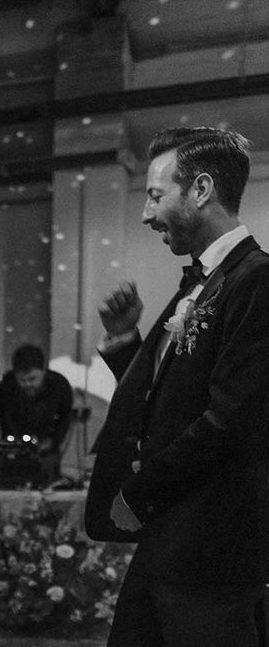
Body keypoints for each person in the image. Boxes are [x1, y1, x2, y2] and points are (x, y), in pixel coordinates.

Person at [85, 127, 269, 647]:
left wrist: (139, 494)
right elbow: (174, 402)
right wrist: (125, 343)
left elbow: (232, 421)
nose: (146, 214)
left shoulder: (256, 279)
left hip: (214, 553)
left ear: (202, 189)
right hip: (170, 541)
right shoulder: (206, 280)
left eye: (155, 195)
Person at [0, 344, 73, 482]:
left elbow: (65, 418)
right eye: (21, 380)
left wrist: (53, 440)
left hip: (45, 457)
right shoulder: (6, 385)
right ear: (15, 374)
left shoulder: (59, 385)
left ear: (43, 371)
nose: (27, 384)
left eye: (32, 379)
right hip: (10, 456)